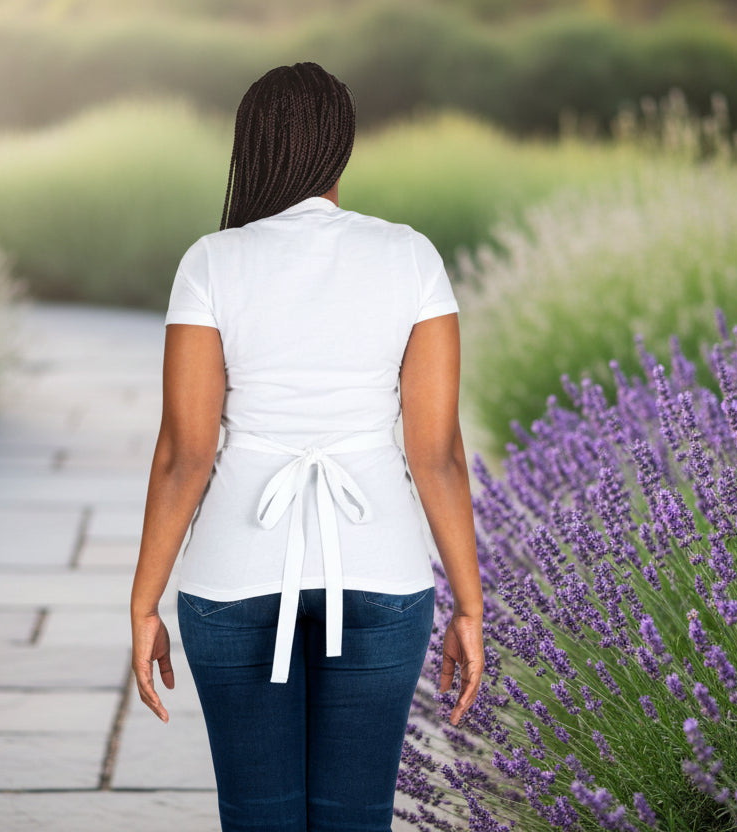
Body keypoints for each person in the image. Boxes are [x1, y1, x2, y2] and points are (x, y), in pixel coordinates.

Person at [129, 60, 484, 832]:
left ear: (251, 146)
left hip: (235, 577)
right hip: (380, 574)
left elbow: (185, 454)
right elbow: (439, 455)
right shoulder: (410, 257)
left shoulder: (212, 263)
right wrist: (470, 605)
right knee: (358, 820)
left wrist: (143, 600)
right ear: (341, 148)